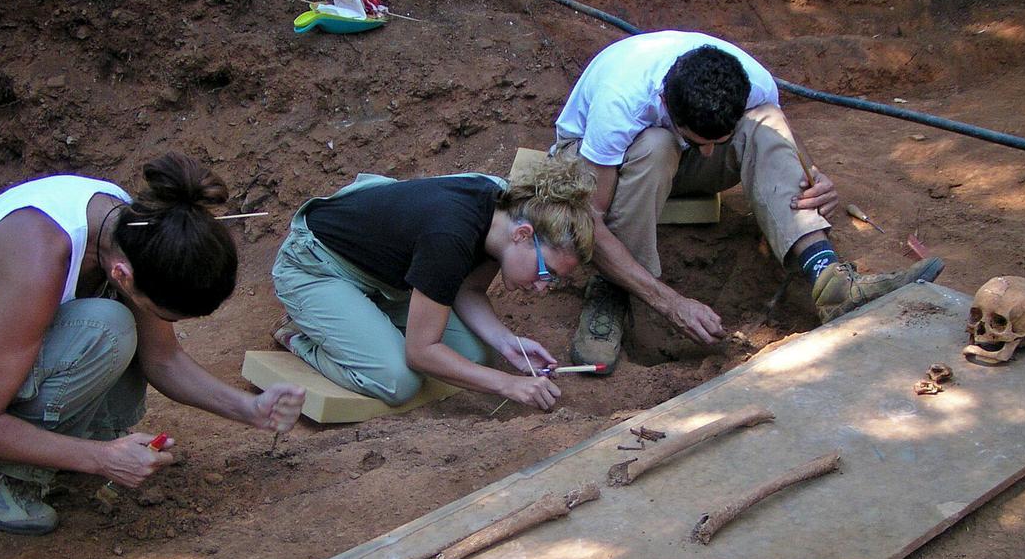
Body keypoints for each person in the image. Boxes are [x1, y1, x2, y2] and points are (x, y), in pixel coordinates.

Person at [0, 153, 306, 536]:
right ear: (122, 274)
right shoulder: (40, 258)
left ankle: (56, 447)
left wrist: (249, 409)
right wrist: (101, 459)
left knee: (116, 324)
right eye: (168, 315)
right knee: (105, 327)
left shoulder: (135, 230)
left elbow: (163, 358)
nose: (168, 325)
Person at [554, 30, 945, 373]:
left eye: (717, 144)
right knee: (656, 147)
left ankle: (829, 279)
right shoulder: (621, 104)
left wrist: (813, 174)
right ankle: (613, 290)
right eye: (697, 140)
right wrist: (672, 304)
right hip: (606, 163)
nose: (710, 155)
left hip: (674, 162)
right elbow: (591, 218)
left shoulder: (752, 81)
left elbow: (779, 133)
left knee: (768, 119)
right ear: (665, 104)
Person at [271, 157, 596, 412]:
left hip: (386, 278)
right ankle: (301, 334)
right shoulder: (450, 237)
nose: (542, 287)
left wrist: (507, 343)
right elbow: (421, 353)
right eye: (545, 271)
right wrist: (507, 384)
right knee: (399, 381)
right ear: (522, 234)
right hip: (316, 265)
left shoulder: (506, 209)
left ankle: (360, 321)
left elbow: (466, 290)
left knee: (475, 354)